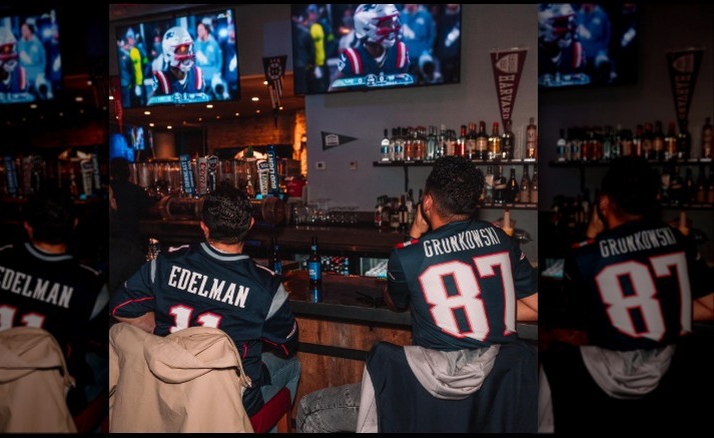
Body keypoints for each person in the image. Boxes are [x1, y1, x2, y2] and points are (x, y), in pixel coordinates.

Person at [296, 156, 539, 433]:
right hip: (486, 404)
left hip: (422, 402)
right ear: (477, 201)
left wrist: (414, 232)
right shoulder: (502, 240)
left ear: (426, 203)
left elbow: (394, 301)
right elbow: (535, 306)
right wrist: (489, 306)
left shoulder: (409, 256)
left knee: (309, 410)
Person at [539, 156, 714, 433]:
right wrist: (663, 306)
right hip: (669, 369)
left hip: (603, 378)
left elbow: (578, 317)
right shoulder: (680, 241)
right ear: (656, 197)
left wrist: (592, 232)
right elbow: (711, 305)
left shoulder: (585, 255)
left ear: (604, 202)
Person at [109, 182, 301, 420]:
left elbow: (120, 309)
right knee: (292, 365)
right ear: (250, 225)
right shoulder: (267, 286)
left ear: (204, 227)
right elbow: (287, 345)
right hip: (228, 400)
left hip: (169, 388)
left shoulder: (164, 263)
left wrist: (160, 329)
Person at [0, 188, 110, 416]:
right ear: (74, 224)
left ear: (27, 226)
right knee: (108, 365)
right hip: (50, 395)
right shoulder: (92, 285)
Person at [328, 4, 410, 91]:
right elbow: (332, 96)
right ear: (367, 28)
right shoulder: (353, 59)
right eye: (387, 24)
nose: (392, 27)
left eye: (392, 22)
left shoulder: (399, 51)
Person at [148, 26, 207, 104]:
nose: (188, 54)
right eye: (183, 50)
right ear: (168, 53)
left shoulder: (197, 74)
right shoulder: (162, 79)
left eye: (189, 48)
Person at [108, 157, 154, 252]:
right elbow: (149, 212)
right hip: (133, 240)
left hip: (114, 243)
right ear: (128, 172)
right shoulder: (137, 191)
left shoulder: (111, 189)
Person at [576, 3, 614, 84]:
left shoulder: (602, 15)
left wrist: (603, 49)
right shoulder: (578, 14)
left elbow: (608, 34)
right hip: (582, 54)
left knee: (600, 78)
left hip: (597, 53)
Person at [400, 4, 437, 84]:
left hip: (423, 56)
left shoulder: (426, 16)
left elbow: (432, 35)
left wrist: (427, 50)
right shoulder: (400, 16)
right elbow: (397, 37)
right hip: (406, 58)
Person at [17, 21, 49, 99]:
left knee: (42, 91)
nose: (22, 32)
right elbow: (17, 60)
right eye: (21, 30)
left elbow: (43, 59)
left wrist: (41, 72)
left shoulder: (38, 43)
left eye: (24, 30)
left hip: (37, 75)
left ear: (30, 31)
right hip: (24, 76)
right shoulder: (19, 44)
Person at [192, 19, 223, 99]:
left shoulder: (214, 43)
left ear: (206, 31)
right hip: (200, 78)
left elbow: (219, 60)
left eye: (200, 30)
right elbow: (193, 61)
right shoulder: (195, 45)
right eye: (197, 30)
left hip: (213, 77)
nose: (198, 32)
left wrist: (217, 73)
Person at [117, 27, 145, 108]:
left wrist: (138, 82)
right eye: (129, 38)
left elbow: (137, 67)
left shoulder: (134, 51)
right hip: (132, 82)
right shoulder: (127, 52)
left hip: (137, 81)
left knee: (138, 102)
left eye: (131, 38)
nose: (130, 40)